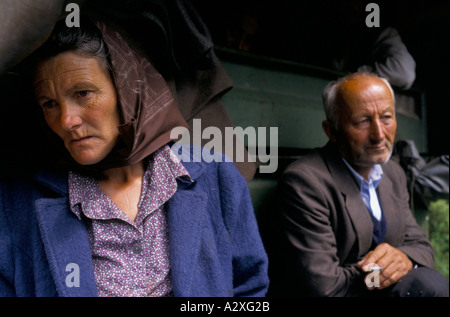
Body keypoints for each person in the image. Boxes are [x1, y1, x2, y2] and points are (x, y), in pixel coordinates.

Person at [0, 16, 268, 297]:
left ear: (127, 93)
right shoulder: (18, 202)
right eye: (49, 103)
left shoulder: (215, 175)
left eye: (83, 93)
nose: (66, 120)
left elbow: (250, 287)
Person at [267, 72, 448, 297]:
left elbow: (421, 247)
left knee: (429, 282)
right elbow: (324, 286)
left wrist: (405, 259)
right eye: (362, 121)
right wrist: (381, 273)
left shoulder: (393, 173)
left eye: (386, 117)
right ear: (331, 131)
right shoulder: (305, 182)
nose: (379, 134)